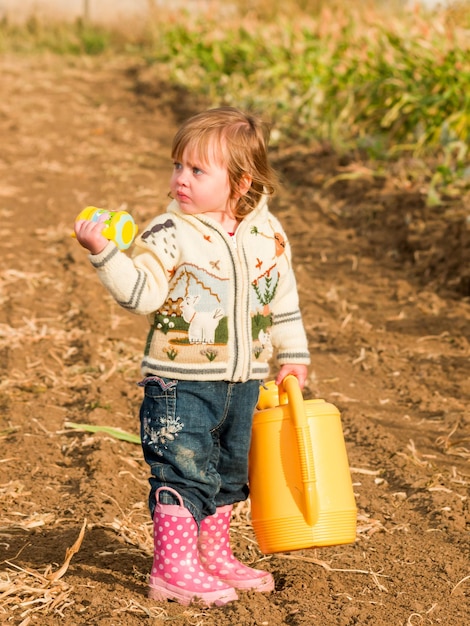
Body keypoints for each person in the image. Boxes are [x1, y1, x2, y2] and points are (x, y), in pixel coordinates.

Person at [74, 106, 310, 607]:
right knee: (182, 468)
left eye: (197, 170)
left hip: (245, 381)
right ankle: (172, 567)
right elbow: (141, 294)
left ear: (241, 182)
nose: (181, 179)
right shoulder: (169, 232)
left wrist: (293, 353)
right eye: (178, 166)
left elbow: (281, 298)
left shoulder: (269, 237)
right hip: (181, 383)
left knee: (226, 471)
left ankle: (211, 553)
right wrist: (105, 254)